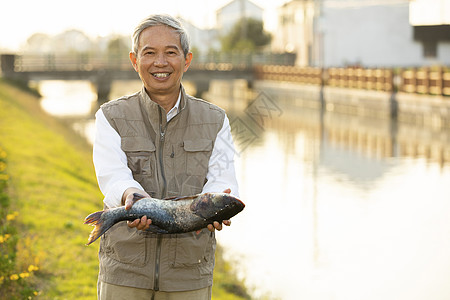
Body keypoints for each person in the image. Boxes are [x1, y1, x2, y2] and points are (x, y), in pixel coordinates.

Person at [92, 14, 239, 300]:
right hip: (125, 270)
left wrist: (212, 207)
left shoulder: (216, 119)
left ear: (187, 60)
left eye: (171, 52)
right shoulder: (110, 116)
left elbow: (223, 178)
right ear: (135, 61)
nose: (160, 62)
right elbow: (112, 175)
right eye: (150, 53)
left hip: (189, 274)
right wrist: (131, 197)